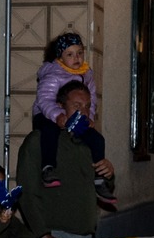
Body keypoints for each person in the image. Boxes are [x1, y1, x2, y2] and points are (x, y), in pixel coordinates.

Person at [17, 80, 111, 238]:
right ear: (60, 107)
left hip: (86, 233)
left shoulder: (89, 143)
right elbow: (26, 192)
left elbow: (102, 188)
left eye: (87, 106)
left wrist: (108, 173)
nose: (84, 112)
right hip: (55, 235)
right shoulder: (39, 141)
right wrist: (44, 234)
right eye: (77, 106)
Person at [32, 32, 116, 205]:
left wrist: (89, 116)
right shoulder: (54, 74)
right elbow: (44, 100)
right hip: (46, 114)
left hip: (75, 118)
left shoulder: (87, 74)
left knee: (96, 139)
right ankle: (48, 167)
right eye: (70, 54)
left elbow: (91, 100)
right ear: (60, 57)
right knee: (50, 132)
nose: (76, 58)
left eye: (79, 53)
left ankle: (99, 177)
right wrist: (58, 116)